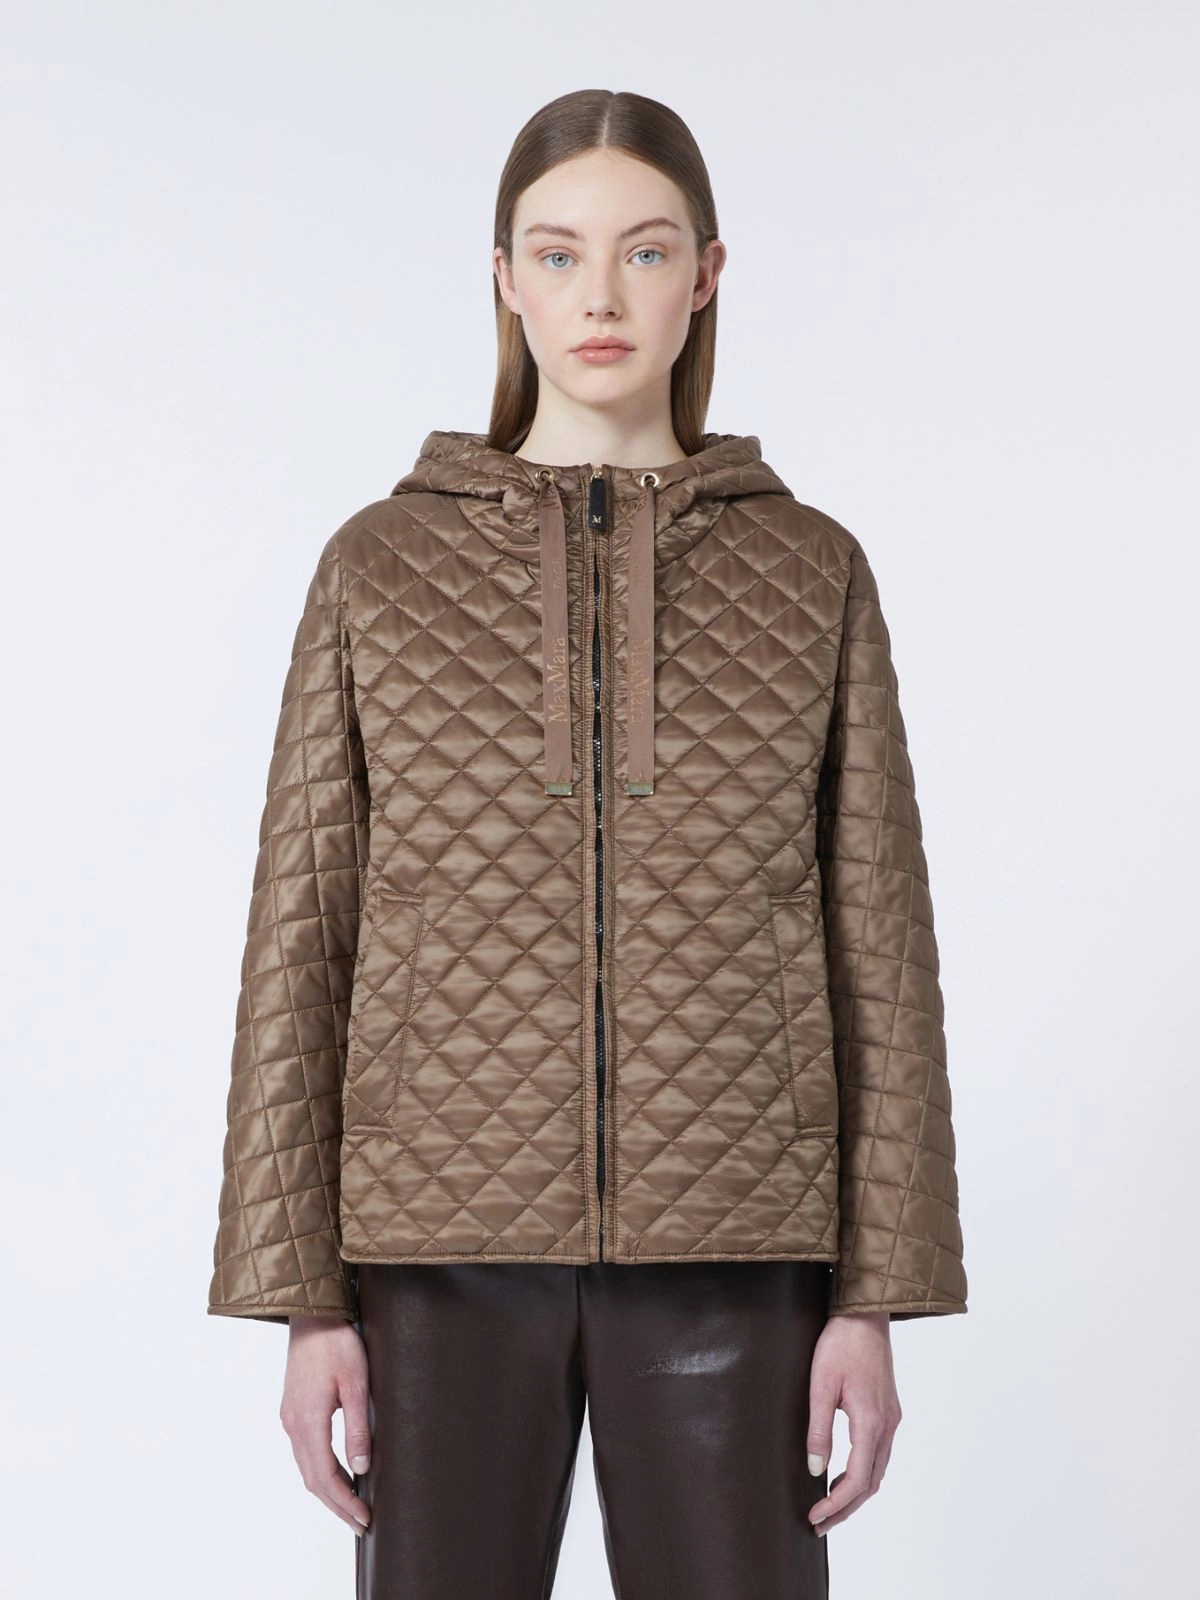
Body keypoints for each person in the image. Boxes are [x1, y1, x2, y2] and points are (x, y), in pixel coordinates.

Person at [206, 87, 968, 1600]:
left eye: (644, 251)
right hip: (432, 1252)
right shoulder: (381, 567)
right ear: (505, 279)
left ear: (707, 274)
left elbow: (878, 941)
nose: (600, 296)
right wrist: (305, 1302)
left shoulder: (810, 570)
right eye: (558, 255)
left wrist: (876, 1296)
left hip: (739, 1248)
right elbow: (304, 931)